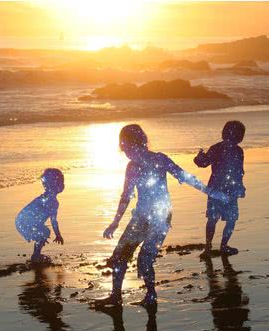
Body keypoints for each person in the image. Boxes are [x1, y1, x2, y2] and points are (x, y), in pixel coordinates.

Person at [95, 124, 228, 307]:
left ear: (136, 143)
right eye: (123, 148)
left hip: (161, 216)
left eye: (125, 146)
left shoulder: (159, 159)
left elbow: (184, 176)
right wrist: (115, 222)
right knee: (119, 257)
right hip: (141, 217)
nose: (125, 151)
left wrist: (210, 192)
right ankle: (116, 296)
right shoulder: (133, 167)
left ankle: (150, 295)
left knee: (145, 258)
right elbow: (126, 196)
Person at [194, 121, 246, 258]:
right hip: (230, 189)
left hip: (216, 189)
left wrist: (198, 158)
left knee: (213, 219)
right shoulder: (237, 150)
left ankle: (208, 247)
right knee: (231, 219)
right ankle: (223, 246)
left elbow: (203, 163)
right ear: (240, 136)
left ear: (223, 133)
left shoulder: (217, 148)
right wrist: (240, 186)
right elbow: (240, 171)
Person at [15, 168, 64, 263]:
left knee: (43, 232)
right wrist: (58, 235)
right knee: (44, 232)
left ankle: (36, 253)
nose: (63, 185)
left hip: (21, 220)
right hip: (25, 222)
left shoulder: (45, 198)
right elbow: (53, 221)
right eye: (61, 182)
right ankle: (36, 255)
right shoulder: (52, 202)